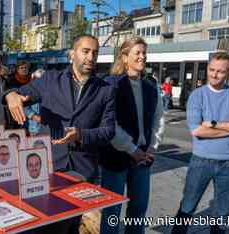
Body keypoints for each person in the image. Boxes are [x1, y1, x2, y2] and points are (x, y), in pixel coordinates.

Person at [4, 34, 115, 234]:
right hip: (50, 167)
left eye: (95, 52)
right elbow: (20, 92)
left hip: (83, 170)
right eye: (85, 51)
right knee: (48, 226)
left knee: (75, 227)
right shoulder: (49, 79)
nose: (90, 57)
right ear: (72, 54)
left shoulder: (105, 90)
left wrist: (81, 134)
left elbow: (108, 131)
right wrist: (11, 95)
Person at [171, 52, 229, 234]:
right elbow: (198, 131)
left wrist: (215, 124)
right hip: (201, 161)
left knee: (222, 212)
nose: (214, 74)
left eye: (220, 71)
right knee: (188, 206)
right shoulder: (197, 95)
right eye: (211, 69)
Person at [99, 37, 164, 234]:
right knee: (112, 212)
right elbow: (109, 123)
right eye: (138, 53)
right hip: (116, 157)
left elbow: (159, 119)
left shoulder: (151, 87)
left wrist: (152, 147)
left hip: (143, 158)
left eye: (144, 53)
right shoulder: (111, 84)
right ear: (125, 57)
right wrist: (131, 148)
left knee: (138, 210)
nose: (142, 57)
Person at [24, 69, 45, 136]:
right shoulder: (29, 91)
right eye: (38, 79)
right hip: (35, 129)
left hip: (48, 128)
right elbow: (25, 107)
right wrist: (35, 116)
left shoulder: (49, 91)